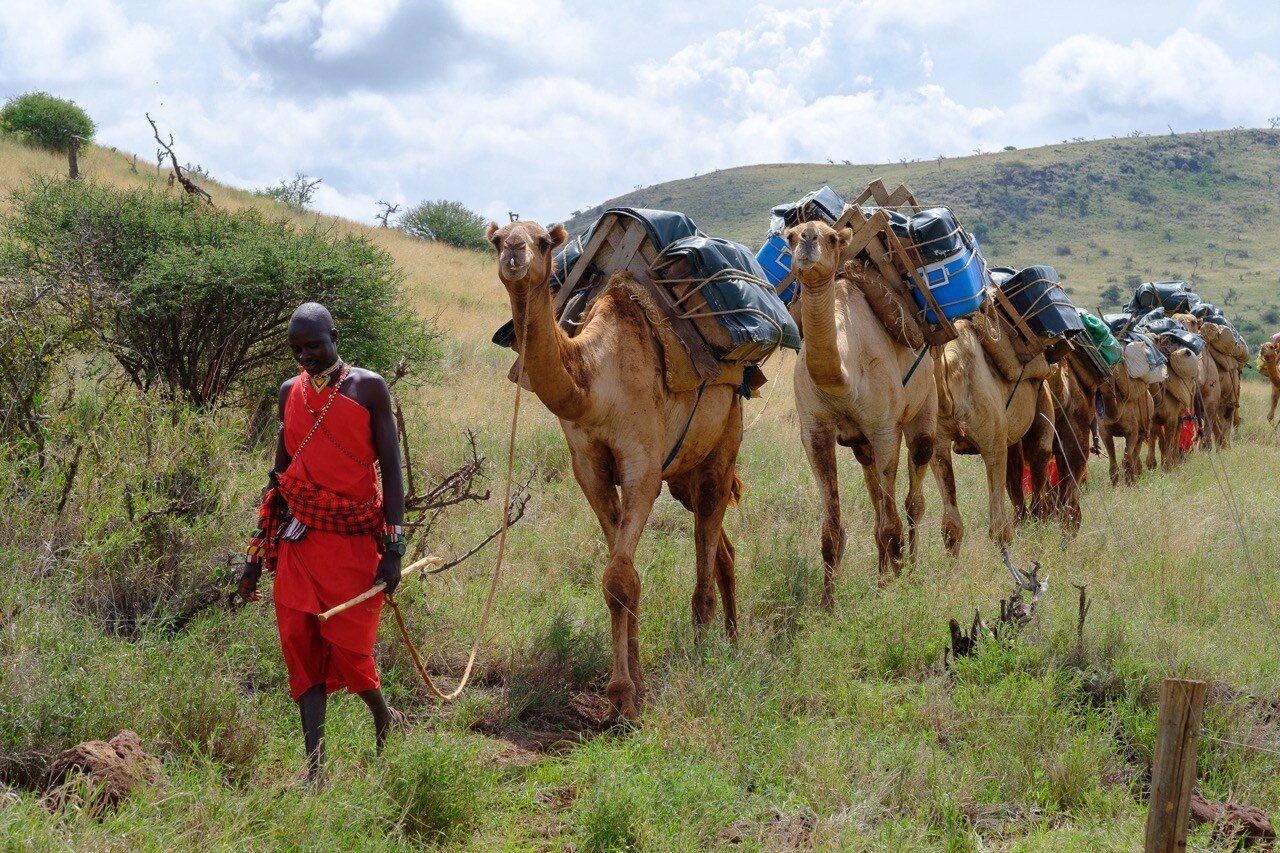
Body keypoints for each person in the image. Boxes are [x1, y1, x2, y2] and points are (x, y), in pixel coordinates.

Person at [239, 302, 406, 787]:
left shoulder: (370, 388)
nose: (306, 356)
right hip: (298, 542)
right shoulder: (289, 392)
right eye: (297, 349)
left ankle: (383, 715)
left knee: (353, 651)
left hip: (354, 542)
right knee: (300, 645)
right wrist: (254, 556)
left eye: (313, 344)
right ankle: (315, 770)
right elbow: (280, 478)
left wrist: (393, 548)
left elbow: (391, 469)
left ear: (335, 335)